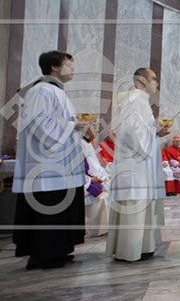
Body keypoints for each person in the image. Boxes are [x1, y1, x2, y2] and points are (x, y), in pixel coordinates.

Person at [12, 51, 86, 269]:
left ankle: (59, 250)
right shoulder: (41, 90)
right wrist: (72, 125)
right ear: (54, 67)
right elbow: (38, 124)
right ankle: (43, 255)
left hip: (60, 164)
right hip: (46, 165)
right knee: (49, 208)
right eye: (68, 64)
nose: (73, 69)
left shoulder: (57, 91)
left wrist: (75, 126)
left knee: (61, 208)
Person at [106, 68, 170, 262]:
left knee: (141, 205)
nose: (156, 83)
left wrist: (155, 132)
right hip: (135, 165)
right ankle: (131, 250)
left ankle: (142, 246)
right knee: (135, 205)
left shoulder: (141, 101)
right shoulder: (135, 101)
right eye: (153, 79)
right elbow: (131, 133)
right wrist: (153, 133)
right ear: (142, 80)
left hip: (140, 164)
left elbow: (142, 130)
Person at [80, 126, 110, 237]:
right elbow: (89, 167)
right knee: (103, 195)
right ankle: (94, 230)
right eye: (93, 128)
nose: (96, 131)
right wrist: (93, 178)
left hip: (90, 177)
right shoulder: (81, 144)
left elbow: (96, 164)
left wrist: (104, 175)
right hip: (84, 180)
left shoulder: (89, 143)